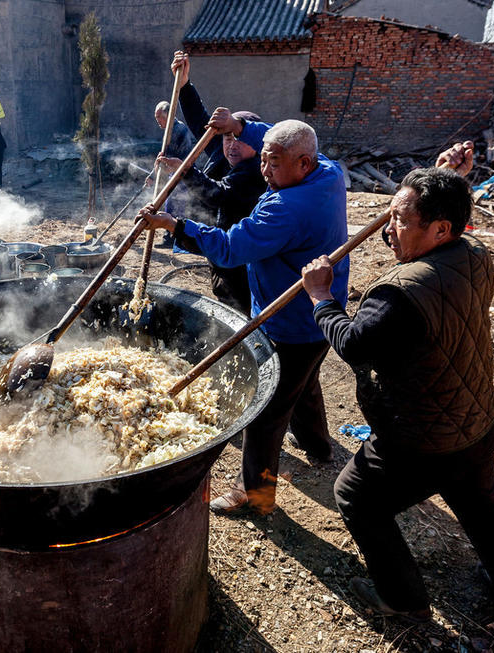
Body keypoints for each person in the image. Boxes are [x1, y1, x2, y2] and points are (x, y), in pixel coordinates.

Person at [300, 142, 494, 623]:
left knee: (356, 494)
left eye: (399, 221)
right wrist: (444, 180)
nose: (388, 229)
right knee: (483, 506)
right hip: (474, 421)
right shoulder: (473, 252)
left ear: (440, 229)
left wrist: (321, 297)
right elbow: (447, 211)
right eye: (390, 214)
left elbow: (353, 344)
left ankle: (404, 601)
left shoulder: (400, 295)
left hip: (421, 439)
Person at [138, 114, 349, 516]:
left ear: (303, 163)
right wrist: (239, 126)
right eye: (264, 159)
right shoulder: (328, 173)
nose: (264, 171)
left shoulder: (287, 208)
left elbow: (232, 248)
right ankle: (319, 446)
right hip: (321, 312)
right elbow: (277, 140)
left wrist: (175, 225)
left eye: (273, 163)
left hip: (287, 320)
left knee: (267, 415)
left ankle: (254, 495)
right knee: (303, 383)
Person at [155, 51, 267, 315]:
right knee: (223, 294)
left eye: (240, 139)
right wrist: (184, 86)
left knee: (243, 308)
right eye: (227, 139)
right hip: (219, 247)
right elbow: (198, 121)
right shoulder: (223, 148)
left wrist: (186, 171)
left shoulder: (256, 172)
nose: (232, 145)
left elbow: (218, 196)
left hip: (243, 256)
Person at [153, 100, 196, 249]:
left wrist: (162, 167)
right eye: (156, 117)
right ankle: (173, 237)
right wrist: (153, 175)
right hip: (175, 174)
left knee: (175, 205)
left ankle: (173, 238)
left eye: (160, 117)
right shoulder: (169, 130)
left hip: (183, 174)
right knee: (171, 204)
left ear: (169, 115)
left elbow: (176, 157)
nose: (158, 120)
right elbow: (163, 156)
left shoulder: (178, 130)